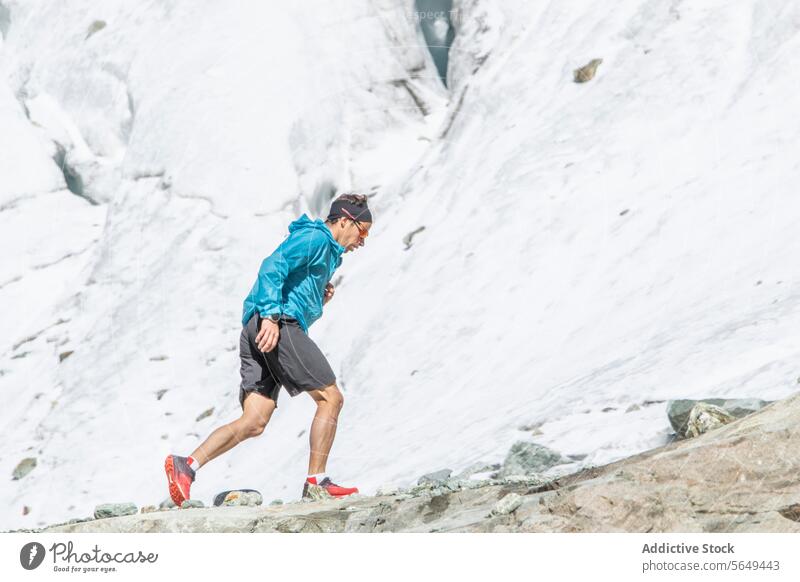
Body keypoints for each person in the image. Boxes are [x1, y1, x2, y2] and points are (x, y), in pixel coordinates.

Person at [164, 193, 373, 505]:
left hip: (258, 327)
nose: (363, 240)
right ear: (345, 220)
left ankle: (186, 466)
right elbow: (271, 266)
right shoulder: (316, 238)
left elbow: (291, 283)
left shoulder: (326, 252)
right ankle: (317, 483)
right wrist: (273, 317)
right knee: (331, 398)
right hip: (276, 325)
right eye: (363, 231)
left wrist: (317, 298)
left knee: (254, 421)